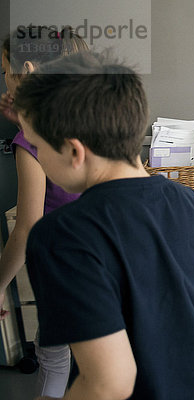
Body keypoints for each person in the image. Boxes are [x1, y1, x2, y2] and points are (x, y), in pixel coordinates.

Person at [13, 50, 194, 400]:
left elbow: (109, 383)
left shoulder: (60, 234)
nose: (37, 156)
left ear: (74, 152)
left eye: (39, 147)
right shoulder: (189, 201)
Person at [0, 26, 88, 398]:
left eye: (5, 70)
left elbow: (27, 228)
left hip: (64, 265)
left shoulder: (30, 143)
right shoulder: (95, 120)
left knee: (53, 354)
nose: (3, 80)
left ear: (28, 71)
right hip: (109, 256)